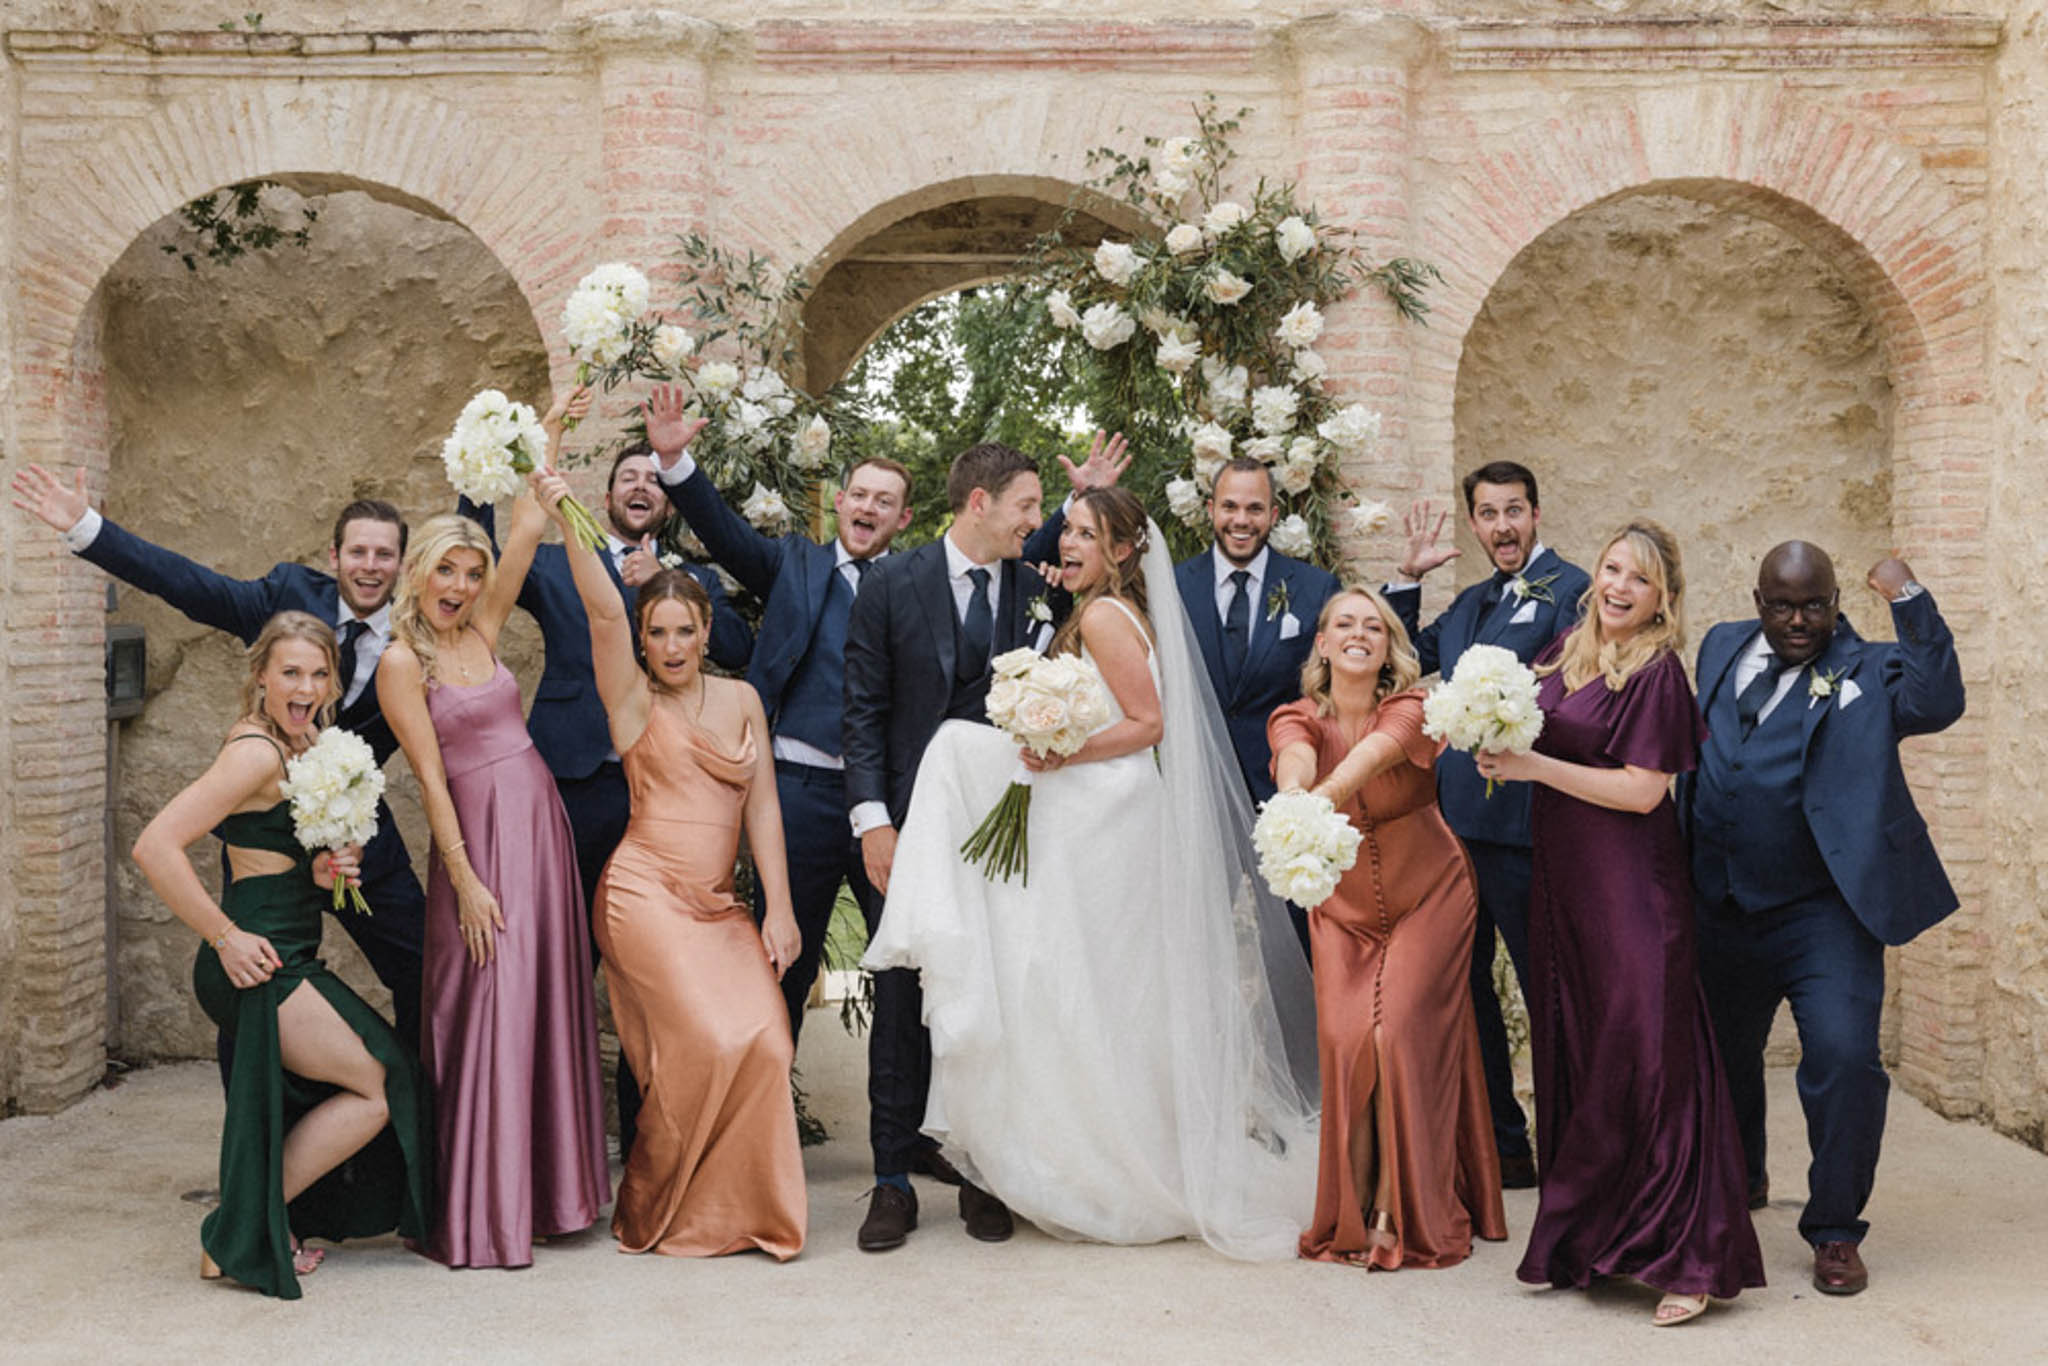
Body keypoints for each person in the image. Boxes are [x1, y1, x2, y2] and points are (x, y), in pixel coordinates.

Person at [864, 487, 1320, 1261]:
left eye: (1083, 533)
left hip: (1111, 811)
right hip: (1094, 811)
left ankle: (1116, 1166)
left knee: (1091, 987)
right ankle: (1091, 1146)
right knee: (1097, 994)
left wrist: (1060, 748)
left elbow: (1148, 724)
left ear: (1120, 551)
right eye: (1065, 530)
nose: (1066, 543)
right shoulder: (1093, 609)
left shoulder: (1108, 617)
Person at [11, 467, 426, 1047]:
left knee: (425, 971)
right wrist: (88, 528)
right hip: (267, 844)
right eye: (358, 550)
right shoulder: (288, 597)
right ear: (335, 555)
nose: (370, 565)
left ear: (401, 565)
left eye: (384, 555)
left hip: (357, 842)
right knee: (254, 979)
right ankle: (254, 1124)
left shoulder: (420, 629)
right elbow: (191, 586)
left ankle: (420, 1122)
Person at [1474, 520, 1763, 1325]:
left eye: (1639, 579)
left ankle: (1691, 1257)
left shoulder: (1658, 672)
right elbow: (1526, 727)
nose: (1619, 587)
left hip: (1634, 891)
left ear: (1662, 596)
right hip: (1565, 886)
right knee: (1585, 1050)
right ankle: (1592, 1241)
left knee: (1651, 1059)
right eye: (1610, 569)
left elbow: (1643, 792)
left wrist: (1530, 767)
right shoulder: (1564, 650)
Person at [460, 407, 751, 1155]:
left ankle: (645, 1128)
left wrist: (668, 583)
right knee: (562, 951)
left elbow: (742, 644)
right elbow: (486, 560)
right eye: (627, 477)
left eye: (654, 479)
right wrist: (478, 476)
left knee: (647, 960)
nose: (640, 487)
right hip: (570, 776)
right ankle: (553, 1133)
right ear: (608, 493)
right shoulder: (558, 561)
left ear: (665, 500)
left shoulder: (690, 576)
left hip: (659, 793)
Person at [537, 467, 807, 1260]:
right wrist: (563, 513)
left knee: (765, 1039)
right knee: (702, 1042)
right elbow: (598, 611)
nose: (672, 646)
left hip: (719, 905)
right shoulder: (631, 703)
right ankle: (657, 1204)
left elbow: (762, 811)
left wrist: (780, 909)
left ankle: (741, 1207)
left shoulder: (741, 701)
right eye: (657, 633)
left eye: (685, 630)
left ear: (706, 629)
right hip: (643, 895)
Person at [1684, 543, 1964, 1297]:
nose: (1799, 620)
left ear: (1838, 601)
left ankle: (1836, 1228)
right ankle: (1740, 1178)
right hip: (1721, 900)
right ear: (1758, 599)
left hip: (1825, 911)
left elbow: (1939, 699)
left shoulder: (1871, 670)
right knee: (1722, 1053)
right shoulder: (1717, 645)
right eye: (1782, 605)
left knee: (1843, 1059)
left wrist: (1908, 598)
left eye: (1815, 605)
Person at [130, 611, 431, 1299]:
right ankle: (236, 1234)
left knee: (380, 1076)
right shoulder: (257, 753)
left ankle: (267, 1223)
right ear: (261, 675)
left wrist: (325, 873)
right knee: (381, 1083)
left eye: (319, 673)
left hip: (290, 949)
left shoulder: (306, 743)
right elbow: (155, 846)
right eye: (290, 672)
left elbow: (269, 855)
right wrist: (224, 936)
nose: (305, 687)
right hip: (256, 959)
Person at [840, 441, 1070, 1252]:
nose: (1035, 524)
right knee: (903, 1003)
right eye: (1026, 508)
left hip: (1000, 832)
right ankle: (893, 1183)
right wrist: (875, 824)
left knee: (989, 1002)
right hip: (905, 830)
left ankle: (981, 1173)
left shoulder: (1038, 594)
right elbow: (863, 712)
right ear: (980, 503)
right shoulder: (890, 584)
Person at [378, 492, 608, 1270]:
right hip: (477, 845)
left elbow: (530, 528)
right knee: (490, 1007)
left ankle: (547, 1196)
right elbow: (431, 782)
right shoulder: (402, 663)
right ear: (417, 573)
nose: (463, 583)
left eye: (473, 572)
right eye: (447, 568)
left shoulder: (482, 629)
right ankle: (484, 1205)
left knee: (541, 999)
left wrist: (540, 439)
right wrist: (465, 881)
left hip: (539, 826)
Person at [1269, 587, 1507, 1269]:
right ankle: (1352, 1208)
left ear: (1390, 647)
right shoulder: (1296, 716)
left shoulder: (1411, 710)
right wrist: (1292, 804)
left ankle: (1394, 1211)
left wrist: (1313, 808)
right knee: (1348, 1043)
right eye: (1343, 623)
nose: (1358, 634)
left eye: (1374, 626)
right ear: (1321, 642)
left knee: (1395, 1033)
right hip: (1341, 911)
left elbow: (1371, 758)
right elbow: (1295, 756)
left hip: (1430, 893)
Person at [1385, 460, 1590, 1190]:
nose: (1501, 527)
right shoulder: (1470, 603)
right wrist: (1405, 580)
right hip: (1457, 829)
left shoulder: (1575, 592)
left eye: (1513, 511)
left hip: (1530, 828)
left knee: (1548, 990)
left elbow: (1578, 690)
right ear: (1471, 523)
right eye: (1487, 514)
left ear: (1536, 514)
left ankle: (1572, 1144)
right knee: (1466, 986)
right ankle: (1505, 1143)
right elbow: (1400, 656)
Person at [1173, 457, 1338, 953]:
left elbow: (1348, 672)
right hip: (1197, 790)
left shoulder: (1314, 587)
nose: (1240, 520)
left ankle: (1311, 1033)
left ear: (1273, 513)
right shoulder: (1172, 585)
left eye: (1254, 508)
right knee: (1195, 942)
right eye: (1229, 506)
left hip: (1284, 789)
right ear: (1209, 509)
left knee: (1302, 941)